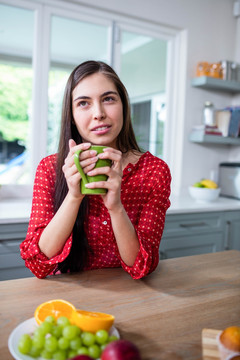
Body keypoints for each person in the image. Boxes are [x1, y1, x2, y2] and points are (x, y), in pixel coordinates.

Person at [20, 60, 171, 280]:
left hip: (129, 296)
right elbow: (38, 264)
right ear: (71, 114)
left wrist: (116, 207)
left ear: (123, 106)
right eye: (83, 103)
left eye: (108, 99)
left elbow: (142, 267)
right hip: (70, 298)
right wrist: (74, 196)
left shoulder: (154, 171)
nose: (99, 113)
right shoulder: (50, 169)